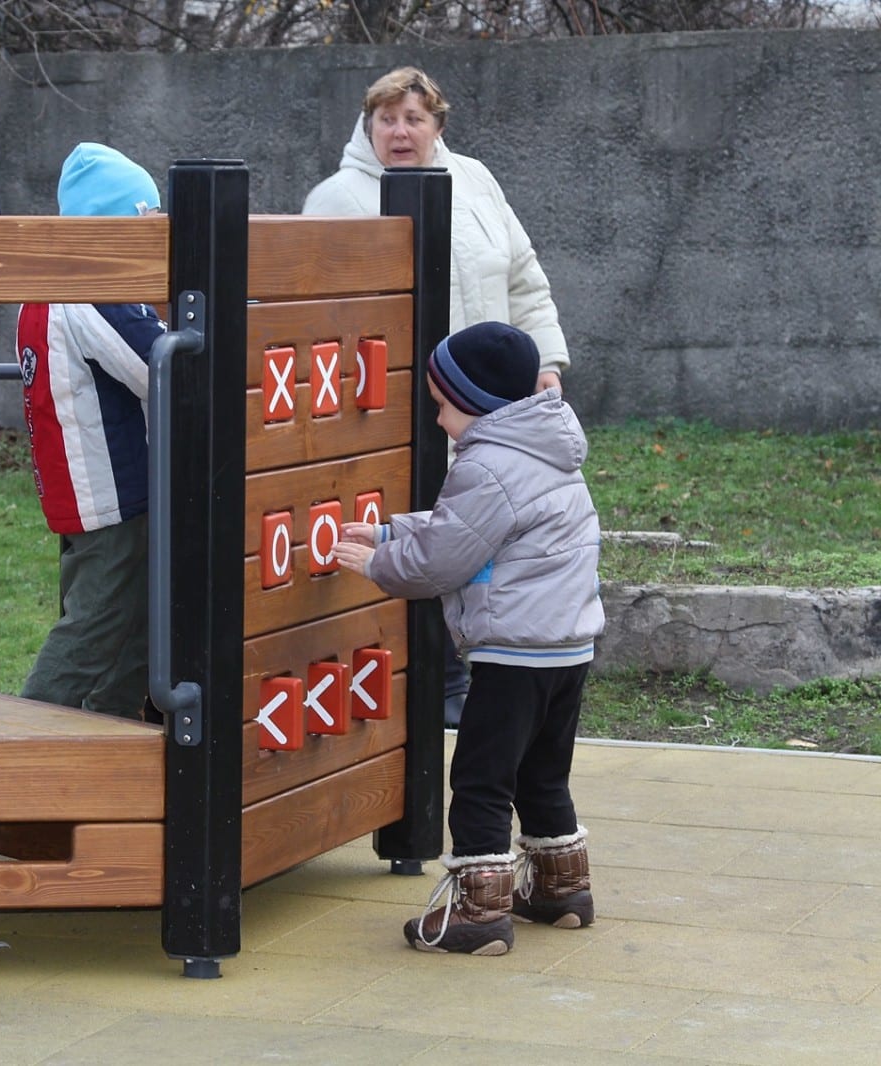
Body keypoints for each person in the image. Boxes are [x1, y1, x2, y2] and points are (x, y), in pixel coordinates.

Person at [302, 66, 570, 726]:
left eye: (414, 119)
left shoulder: (476, 181)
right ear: (368, 126)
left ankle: (492, 665)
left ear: (438, 126)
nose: (400, 132)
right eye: (387, 119)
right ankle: (437, 674)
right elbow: (311, 311)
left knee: (490, 525)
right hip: (390, 407)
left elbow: (525, 279)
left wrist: (547, 362)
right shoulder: (336, 200)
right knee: (424, 526)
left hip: (490, 399)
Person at [332, 321, 603, 956]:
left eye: (443, 407)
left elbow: (444, 560)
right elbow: (472, 529)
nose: (438, 421)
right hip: (566, 647)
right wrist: (391, 531)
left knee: (482, 779)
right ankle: (563, 889)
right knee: (542, 774)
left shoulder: (486, 466)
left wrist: (377, 564)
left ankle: (481, 912)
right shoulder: (543, 451)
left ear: (478, 405)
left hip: (513, 653)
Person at [16, 143, 165, 719]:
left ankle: (113, 725)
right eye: (147, 220)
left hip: (79, 484)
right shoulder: (96, 288)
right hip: (112, 487)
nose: (155, 234)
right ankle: (31, 727)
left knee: (130, 617)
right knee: (98, 621)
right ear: (119, 225)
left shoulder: (46, 285)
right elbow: (161, 369)